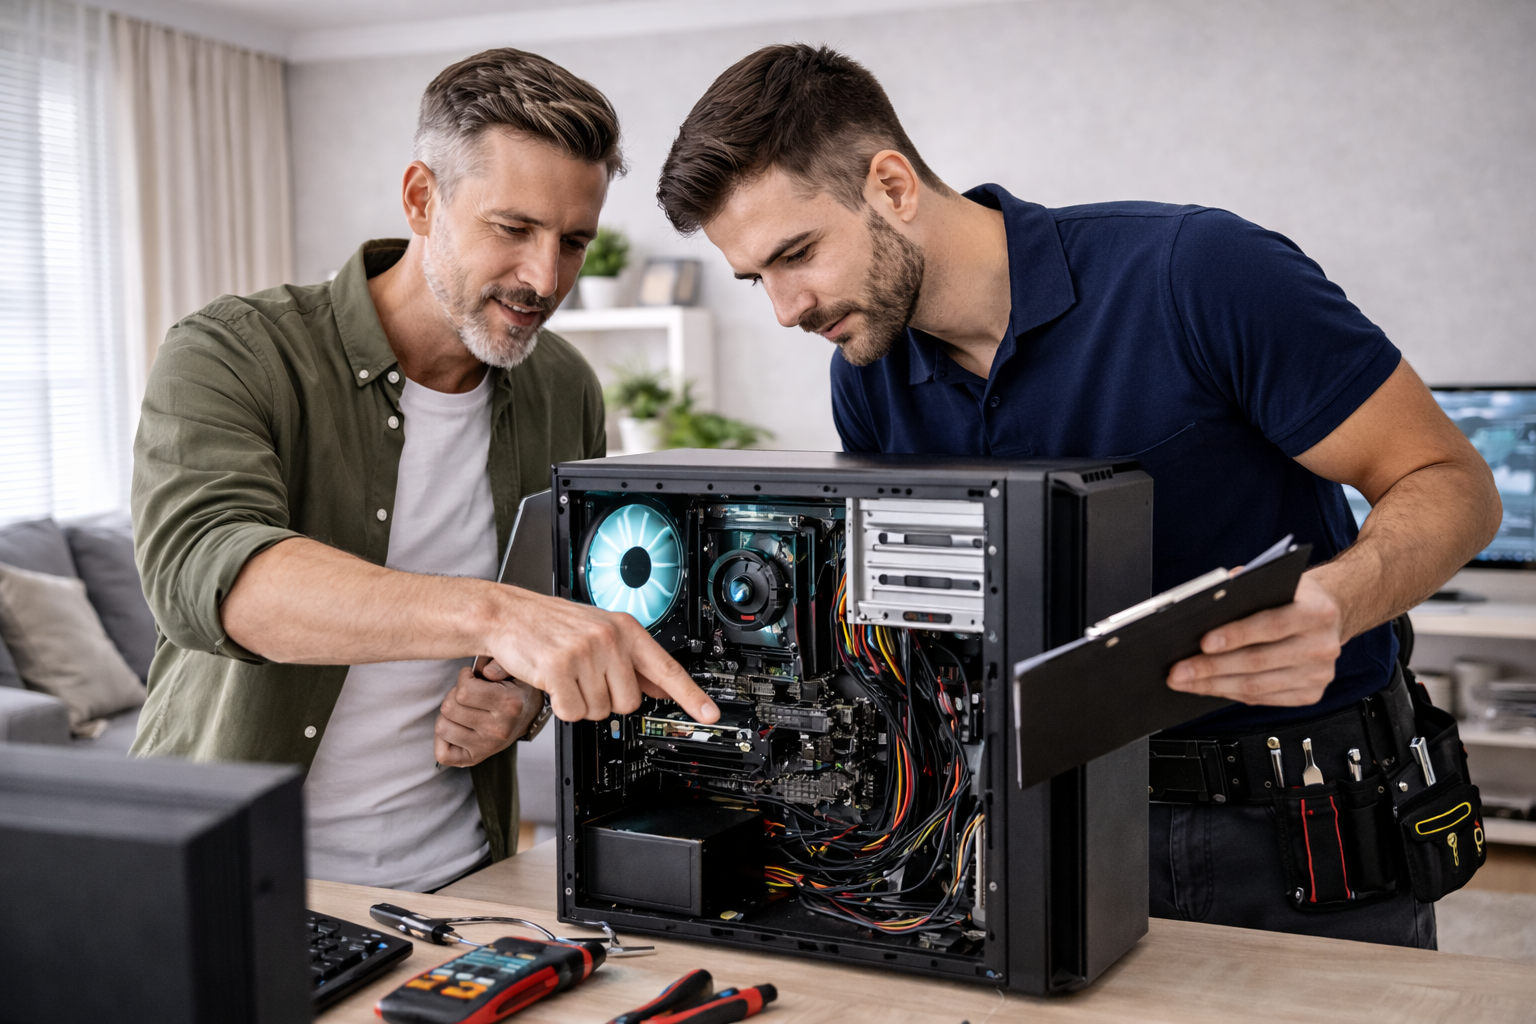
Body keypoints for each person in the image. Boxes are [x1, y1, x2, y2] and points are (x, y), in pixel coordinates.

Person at [655, 43, 1501, 945]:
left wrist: (1340, 601)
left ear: (892, 185)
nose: (787, 309)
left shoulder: (1198, 272)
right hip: (1047, 823)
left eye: (798, 254)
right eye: (758, 280)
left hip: (1295, 821)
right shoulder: (867, 375)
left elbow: (1453, 484)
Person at [132, 48, 717, 893]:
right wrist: (496, 617)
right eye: (513, 229)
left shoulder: (564, 387)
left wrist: (520, 694)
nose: (544, 278)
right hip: (231, 883)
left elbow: (561, 603)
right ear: (421, 198)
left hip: (465, 882)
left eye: (573, 241)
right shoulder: (231, 350)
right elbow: (213, 578)